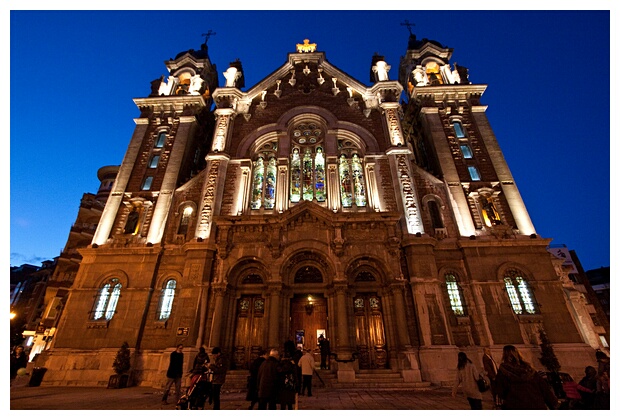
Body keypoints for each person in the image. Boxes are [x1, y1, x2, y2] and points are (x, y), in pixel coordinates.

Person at [494, 345, 558, 410]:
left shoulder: (503, 372)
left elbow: (499, 391)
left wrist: (499, 406)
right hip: (537, 404)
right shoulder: (529, 370)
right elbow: (544, 389)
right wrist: (553, 403)